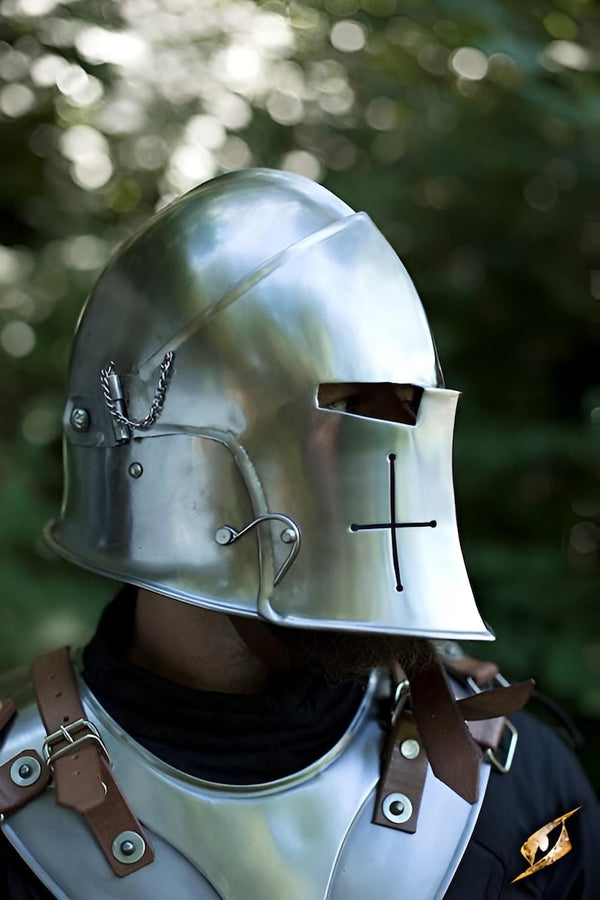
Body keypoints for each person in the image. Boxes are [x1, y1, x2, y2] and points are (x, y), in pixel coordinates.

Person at [0, 169, 597, 898]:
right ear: (162, 467)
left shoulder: (515, 790)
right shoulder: (14, 818)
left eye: (400, 421)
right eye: (337, 429)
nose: (382, 494)